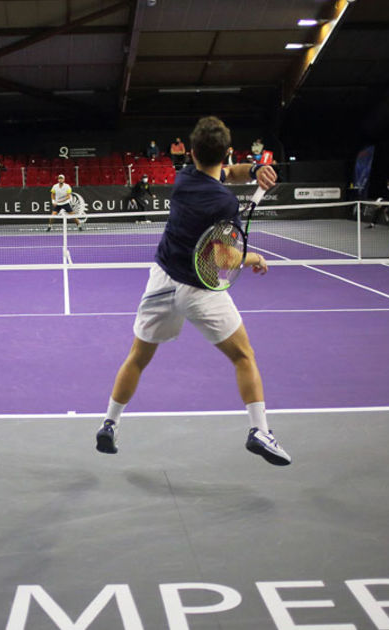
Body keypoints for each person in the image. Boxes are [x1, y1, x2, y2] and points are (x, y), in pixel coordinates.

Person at [94, 116, 289, 466]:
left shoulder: (182, 177)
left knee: (137, 357)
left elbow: (228, 174)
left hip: (162, 280)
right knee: (243, 357)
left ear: (192, 151)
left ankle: (110, 422)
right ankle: (259, 430)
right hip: (201, 289)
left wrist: (257, 169)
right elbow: (222, 256)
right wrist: (254, 256)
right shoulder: (225, 205)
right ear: (227, 152)